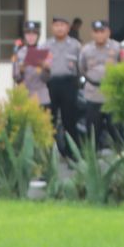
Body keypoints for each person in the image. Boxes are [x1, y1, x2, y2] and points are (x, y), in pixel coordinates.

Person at [78, 19, 123, 145]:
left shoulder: (117, 47)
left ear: (108, 32)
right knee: (92, 131)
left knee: (116, 130)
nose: (99, 35)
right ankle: (92, 155)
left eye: (102, 31)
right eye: (96, 32)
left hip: (112, 94)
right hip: (93, 94)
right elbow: (81, 68)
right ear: (92, 33)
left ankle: (121, 153)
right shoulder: (86, 50)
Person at [41, 15, 82, 153]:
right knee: (49, 121)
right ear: (52, 28)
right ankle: (48, 153)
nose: (59, 28)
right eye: (56, 25)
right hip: (50, 85)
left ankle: (72, 154)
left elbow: (82, 67)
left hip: (69, 84)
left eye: (62, 25)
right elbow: (36, 69)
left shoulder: (76, 45)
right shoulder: (45, 46)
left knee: (69, 120)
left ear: (68, 28)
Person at [11, 20, 50, 113]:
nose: (31, 37)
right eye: (28, 34)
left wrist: (46, 69)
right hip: (25, 96)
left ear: (38, 36)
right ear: (24, 35)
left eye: (34, 34)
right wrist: (21, 71)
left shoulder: (45, 52)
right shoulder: (19, 53)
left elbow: (47, 79)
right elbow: (15, 78)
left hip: (41, 96)